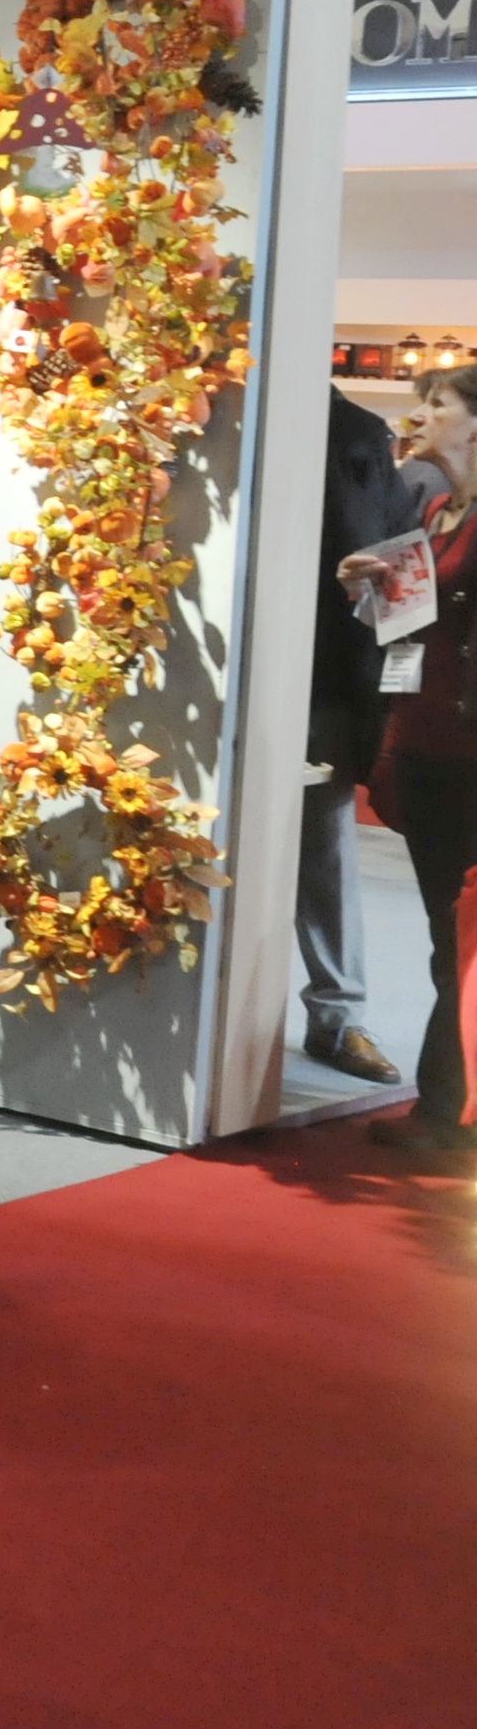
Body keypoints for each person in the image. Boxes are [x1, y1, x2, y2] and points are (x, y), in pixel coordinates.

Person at [367, 365, 477, 1154]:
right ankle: (446, 1104)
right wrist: (368, 586)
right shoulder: (436, 512)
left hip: (467, 754)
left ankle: (444, 1110)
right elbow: (403, 626)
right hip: (421, 746)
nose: (421, 417)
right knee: (447, 934)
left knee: (460, 935)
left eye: (438, 405)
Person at [303, 387, 424, 1085]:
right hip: (204, 668)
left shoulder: (355, 435)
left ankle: (338, 1014)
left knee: (322, 844)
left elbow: (398, 572)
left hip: (322, 675)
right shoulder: (196, 408)